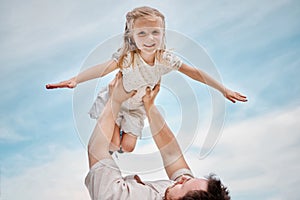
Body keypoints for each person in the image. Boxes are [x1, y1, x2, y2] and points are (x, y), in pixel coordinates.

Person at [46, 6, 247, 153]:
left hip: (135, 108)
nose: (149, 39)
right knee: (114, 144)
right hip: (114, 101)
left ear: (162, 34)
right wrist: (75, 79)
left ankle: (117, 138)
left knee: (129, 147)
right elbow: (103, 68)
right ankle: (110, 131)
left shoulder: (165, 59)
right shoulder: (128, 58)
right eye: (141, 33)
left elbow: (194, 72)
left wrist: (223, 89)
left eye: (155, 32)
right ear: (132, 37)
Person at [85, 72, 231, 200]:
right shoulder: (181, 192)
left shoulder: (117, 197)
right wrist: (149, 106)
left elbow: (97, 151)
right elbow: (172, 154)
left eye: (183, 185)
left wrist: (114, 101)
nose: (183, 179)